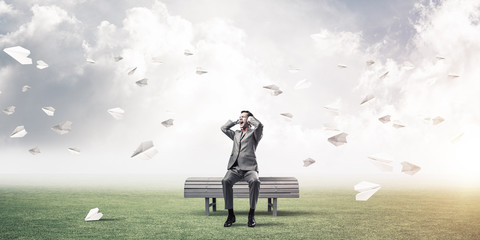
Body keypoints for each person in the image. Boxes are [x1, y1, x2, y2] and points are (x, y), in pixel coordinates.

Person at [221, 110, 263, 227]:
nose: (240, 119)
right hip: (235, 168)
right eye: (239, 117)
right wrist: (235, 122)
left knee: (255, 181)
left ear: (249, 121)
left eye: (243, 117)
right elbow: (223, 128)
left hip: (250, 169)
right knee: (225, 181)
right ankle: (230, 215)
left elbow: (259, 125)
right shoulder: (236, 134)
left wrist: (250, 118)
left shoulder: (255, 134)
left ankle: (251, 215)